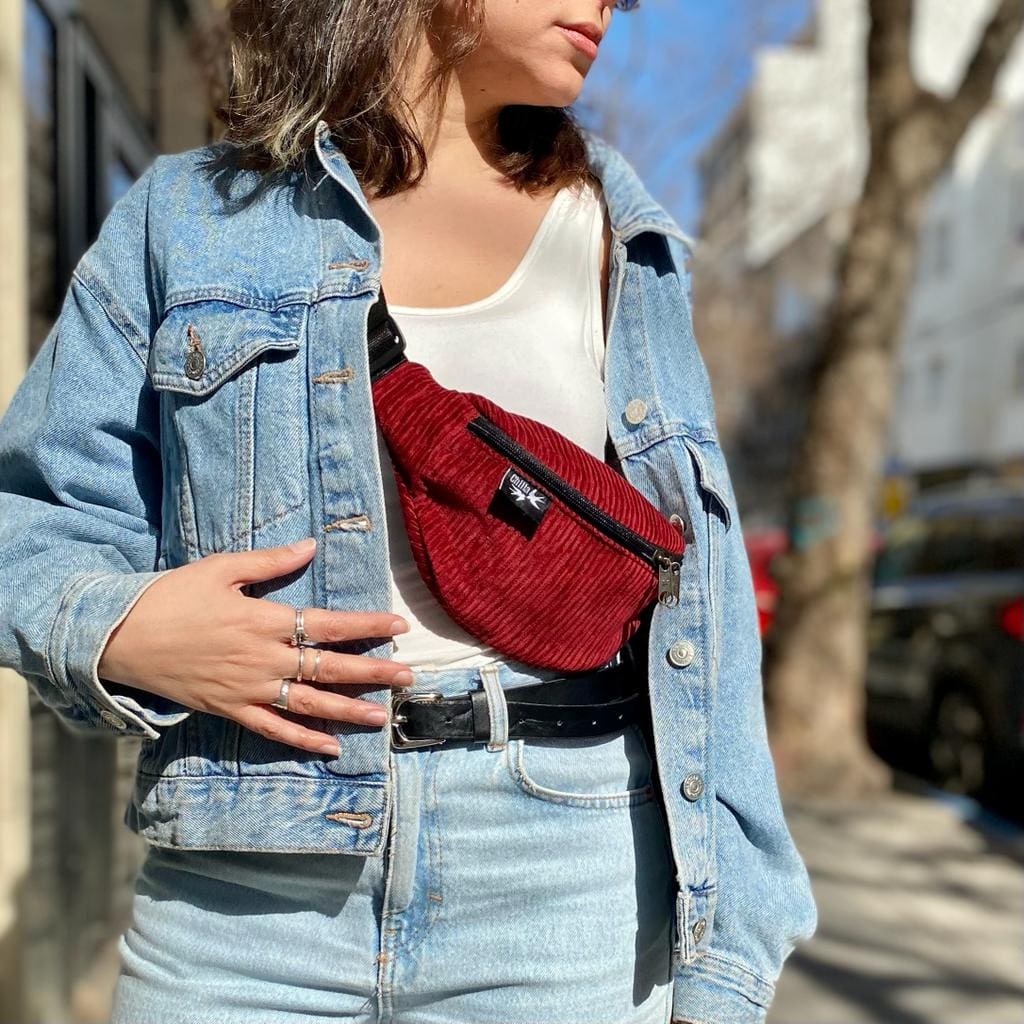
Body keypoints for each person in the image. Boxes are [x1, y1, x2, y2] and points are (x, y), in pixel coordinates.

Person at [0, 2, 818, 1022]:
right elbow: (30, 526)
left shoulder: (620, 236)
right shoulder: (192, 216)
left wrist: (731, 953)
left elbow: (704, 598)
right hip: (241, 889)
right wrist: (127, 631)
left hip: (565, 879)